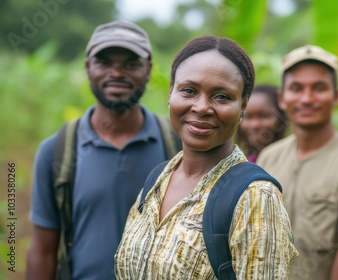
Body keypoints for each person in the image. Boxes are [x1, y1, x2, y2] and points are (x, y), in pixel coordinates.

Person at [114, 35, 298, 279]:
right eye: (189, 91)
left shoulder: (255, 197)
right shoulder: (156, 181)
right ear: (171, 92)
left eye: (221, 96)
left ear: (243, 105)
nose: (201, 107)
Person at [27, 20, 180, 279]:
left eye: (131, 64)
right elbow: (43, 250)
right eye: (105, 62)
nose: (117, 73)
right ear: (88, 68)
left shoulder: (178, 146)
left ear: (148, 70)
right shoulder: (57, 152)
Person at [257, 45, 338, 280]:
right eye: (296, 88)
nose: (307, 98)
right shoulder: (269, 157)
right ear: (282, 99)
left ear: (336, 96)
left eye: (319, 88)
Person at [237, 84, 288, 163]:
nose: (255, 124)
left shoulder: (289, 159)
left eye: (264, 116)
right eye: (248, 117)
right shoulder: (244, 163)